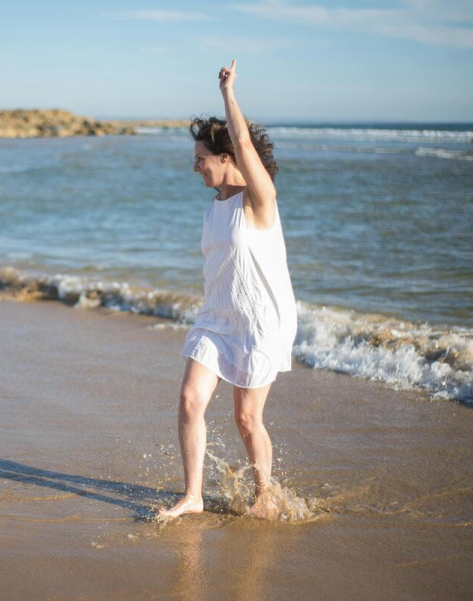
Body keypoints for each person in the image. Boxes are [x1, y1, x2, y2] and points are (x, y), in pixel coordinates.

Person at [159, 60, 297, 519]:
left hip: (261, 320)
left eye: (201, 157)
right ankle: (193, 495)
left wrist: (228, 94)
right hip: (217, 317)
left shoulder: (259, 200)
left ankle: (265, 496)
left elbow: (241, 138)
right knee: (188, 401)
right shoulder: (211, 209)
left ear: (227, 159)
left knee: (246, 419)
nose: (194, 165)